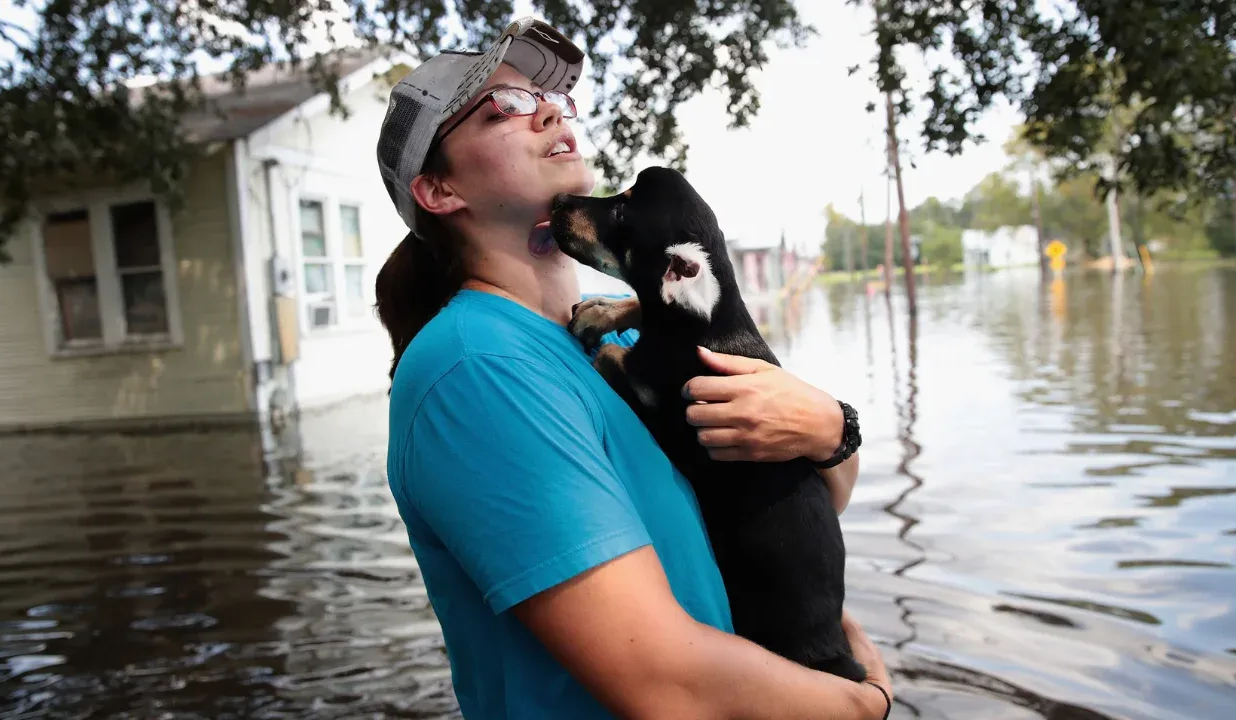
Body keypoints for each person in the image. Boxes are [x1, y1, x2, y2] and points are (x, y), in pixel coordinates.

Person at [372, 16, 892, 720]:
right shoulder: (476, 369)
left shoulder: (622, 322)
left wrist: (832, 429)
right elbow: (664, 682)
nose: (550, 112)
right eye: (505, 107)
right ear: (439, 190)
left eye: (552, 99)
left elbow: (811, 495)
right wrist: (865, 705)